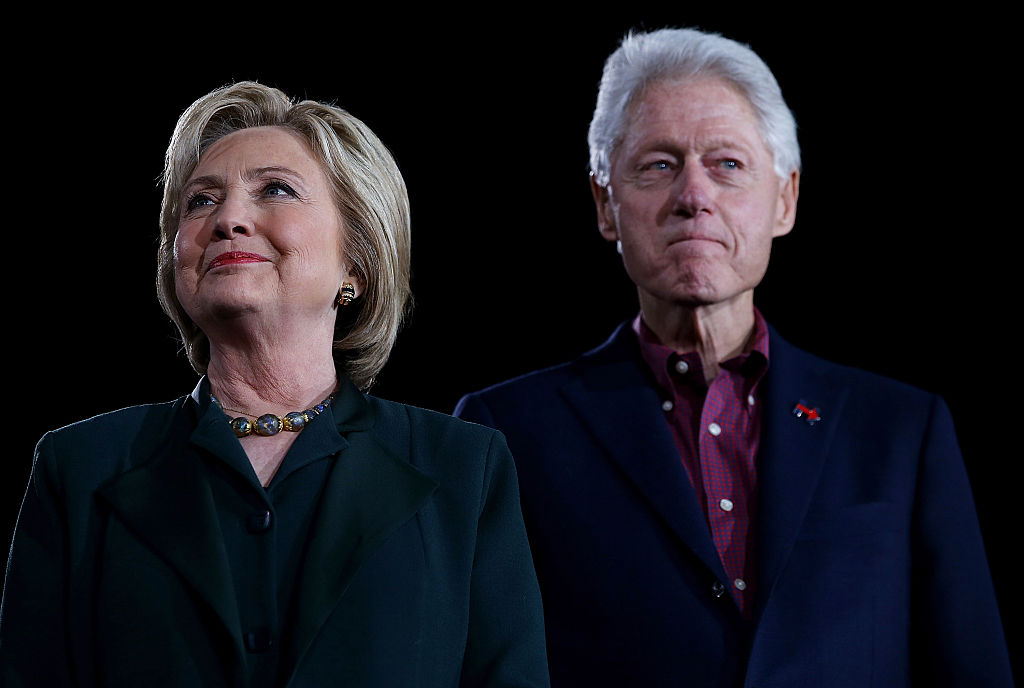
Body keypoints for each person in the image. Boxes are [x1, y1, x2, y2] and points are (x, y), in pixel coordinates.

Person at [454, 28, 1013, 687]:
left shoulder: (900, 432)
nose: (694, 196)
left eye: (728, 165)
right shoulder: (506, 431)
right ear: (606, 204)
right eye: (659, 165)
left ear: (785, 200)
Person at [0, 81, 549, 688]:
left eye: (276, 190)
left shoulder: (464, 470)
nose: (228, 219)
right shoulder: (77, 469)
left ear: (358, 261)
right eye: (201, 201)